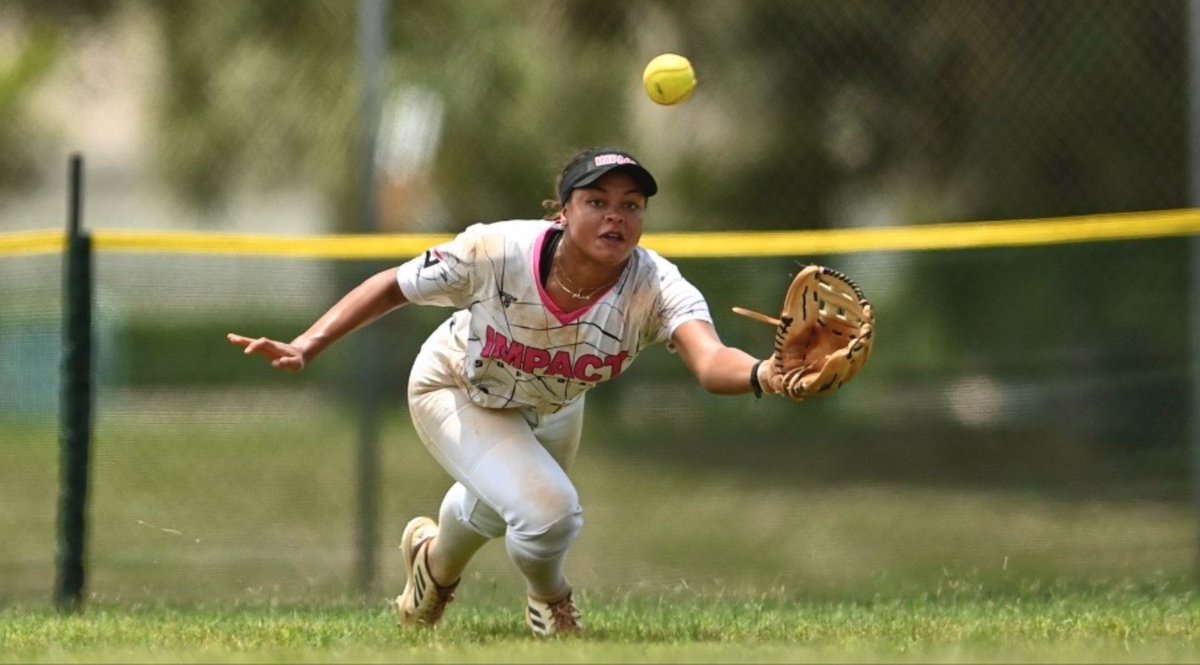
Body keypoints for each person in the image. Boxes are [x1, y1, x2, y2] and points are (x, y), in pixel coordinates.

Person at [227, 147, 783, 637]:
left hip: (554, 403)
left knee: (500, 509)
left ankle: (432, 567)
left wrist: (768, 373)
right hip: (456, 384)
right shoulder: (497, 250)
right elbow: (392, 285)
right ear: (563, 212)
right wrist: (308, 343)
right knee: (549, 513)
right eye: (597, 201)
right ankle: (551, 598)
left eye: (631, 204)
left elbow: (710, 362)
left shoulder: (655, 285)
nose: (616, 214)